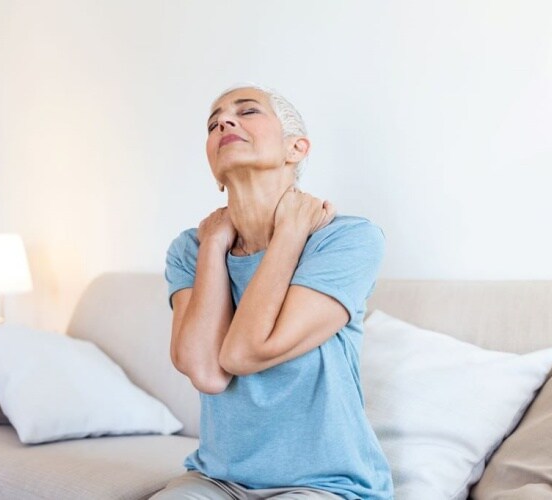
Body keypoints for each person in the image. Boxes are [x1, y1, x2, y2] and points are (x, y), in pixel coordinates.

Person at [154, 83, 394, 499]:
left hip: (325, 485)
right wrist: (213, 244)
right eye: (213, 123)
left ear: (296, 148)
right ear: (214, 167)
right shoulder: (190, 249)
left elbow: (243, 353)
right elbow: (207, 372)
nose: (224, 122)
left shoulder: (347, 240)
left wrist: (291, 232)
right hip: (216, 479)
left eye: (247, 112)